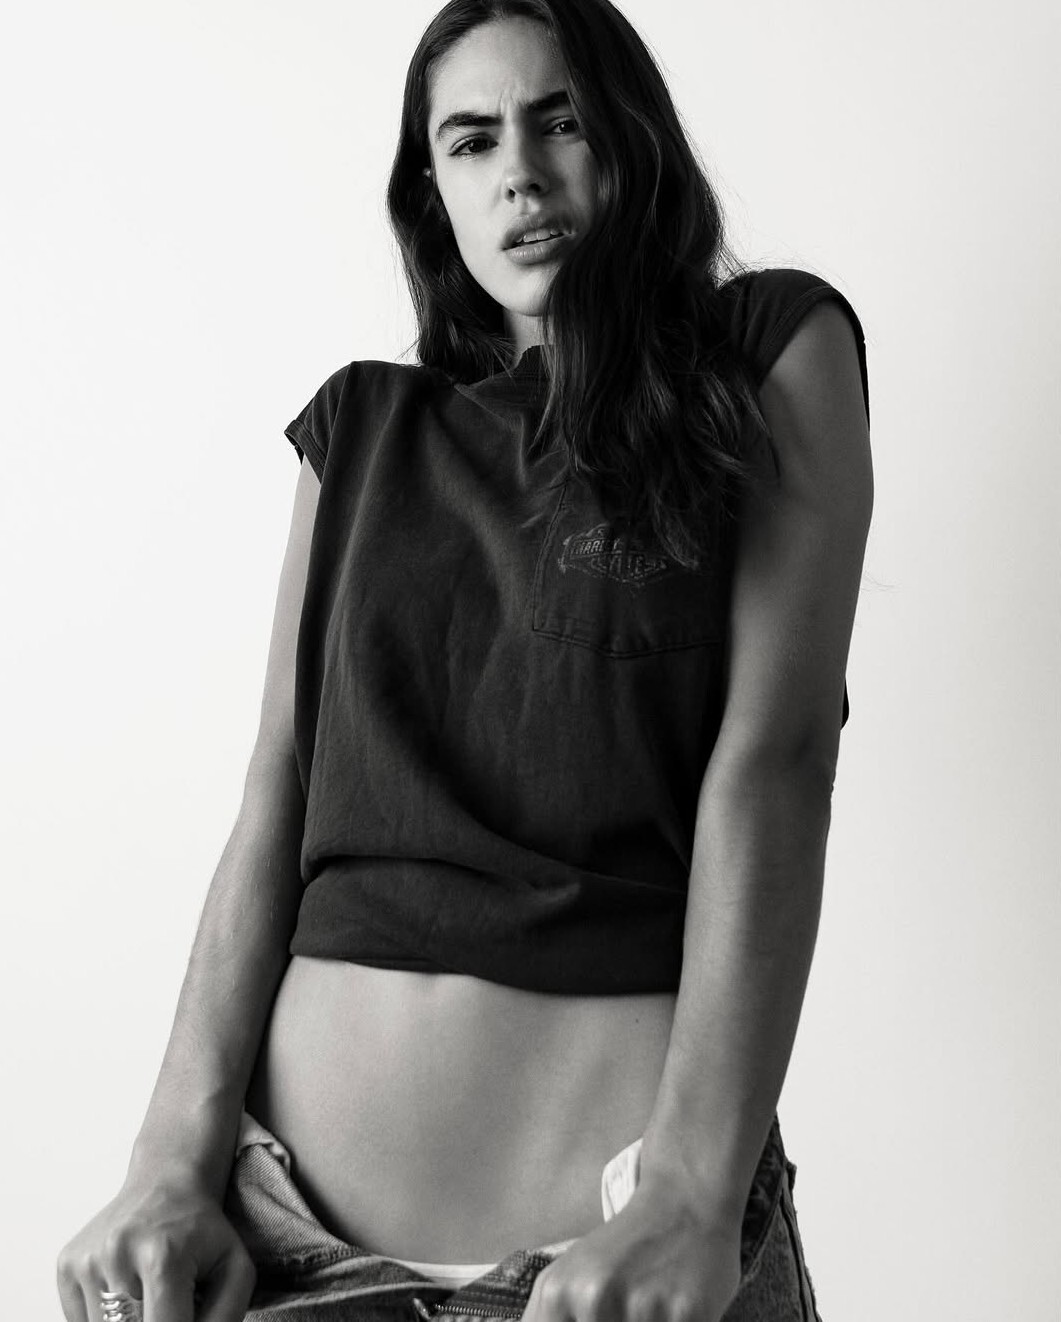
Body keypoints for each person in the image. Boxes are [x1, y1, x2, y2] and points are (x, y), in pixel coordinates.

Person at [57, 1, 872, 1319]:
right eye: (472, 140)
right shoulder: (361, 433)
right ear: (431, 191)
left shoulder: (771, 351)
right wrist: (164, 1161)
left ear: (632, 140)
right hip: (284, 1250)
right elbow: (274, 800)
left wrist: (690, 1194)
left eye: (560, 122)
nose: (521, 175)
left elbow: (777, 763)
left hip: (614, 1252)